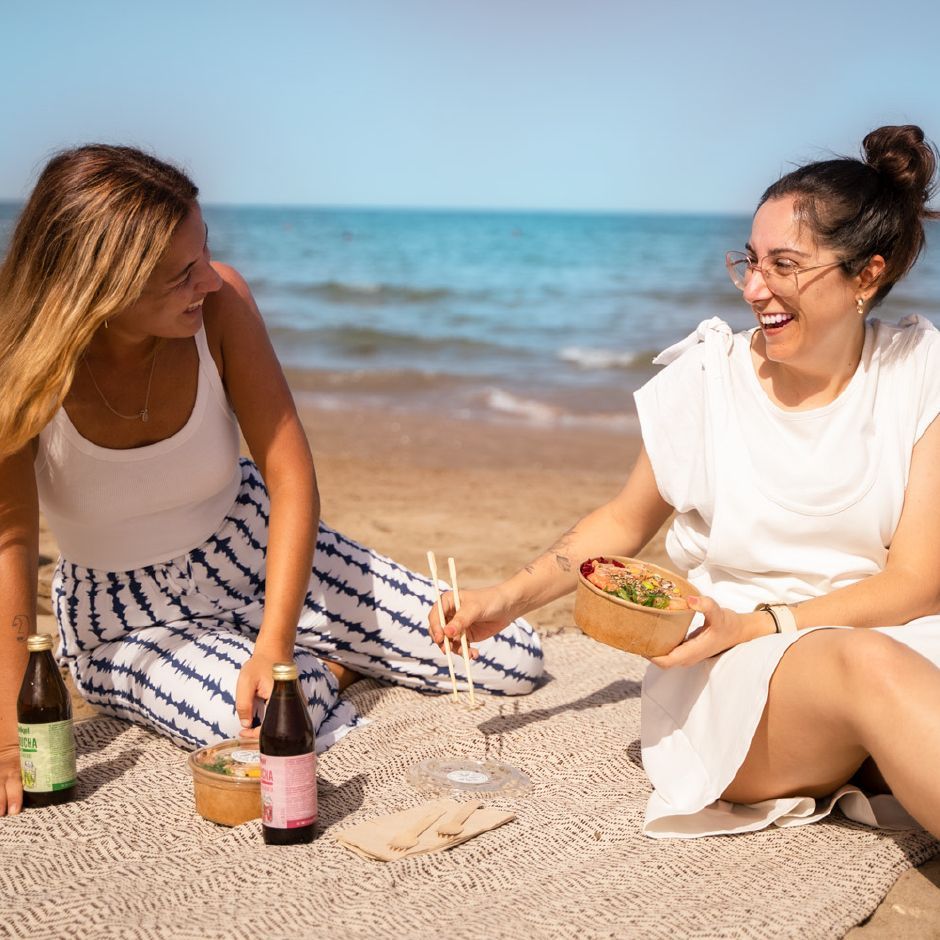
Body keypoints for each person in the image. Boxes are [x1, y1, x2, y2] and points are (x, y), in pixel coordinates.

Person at [0, 144, 544, 817]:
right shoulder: (16, 363)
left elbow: (291, 478)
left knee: (511, 658)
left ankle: (313, 650)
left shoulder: (222, 306)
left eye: (204, 253)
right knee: (284, 721)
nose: (207, 280)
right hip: (127, 614)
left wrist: (275, 643)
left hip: (256, 545)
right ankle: (331, 664)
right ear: (102, 289)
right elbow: (12, 546)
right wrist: (5, 732)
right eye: (180, 274)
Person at [430, 124, 940, 839]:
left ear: (865, 276)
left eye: (785, 265)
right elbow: (623, 524)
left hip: (892, 637)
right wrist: (503, 598)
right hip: (739, 666)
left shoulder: (918, 371)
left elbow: (917, 581)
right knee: (865, 663)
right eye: (750, 261)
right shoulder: (707, 379)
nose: (756, 288)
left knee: (879, 658)